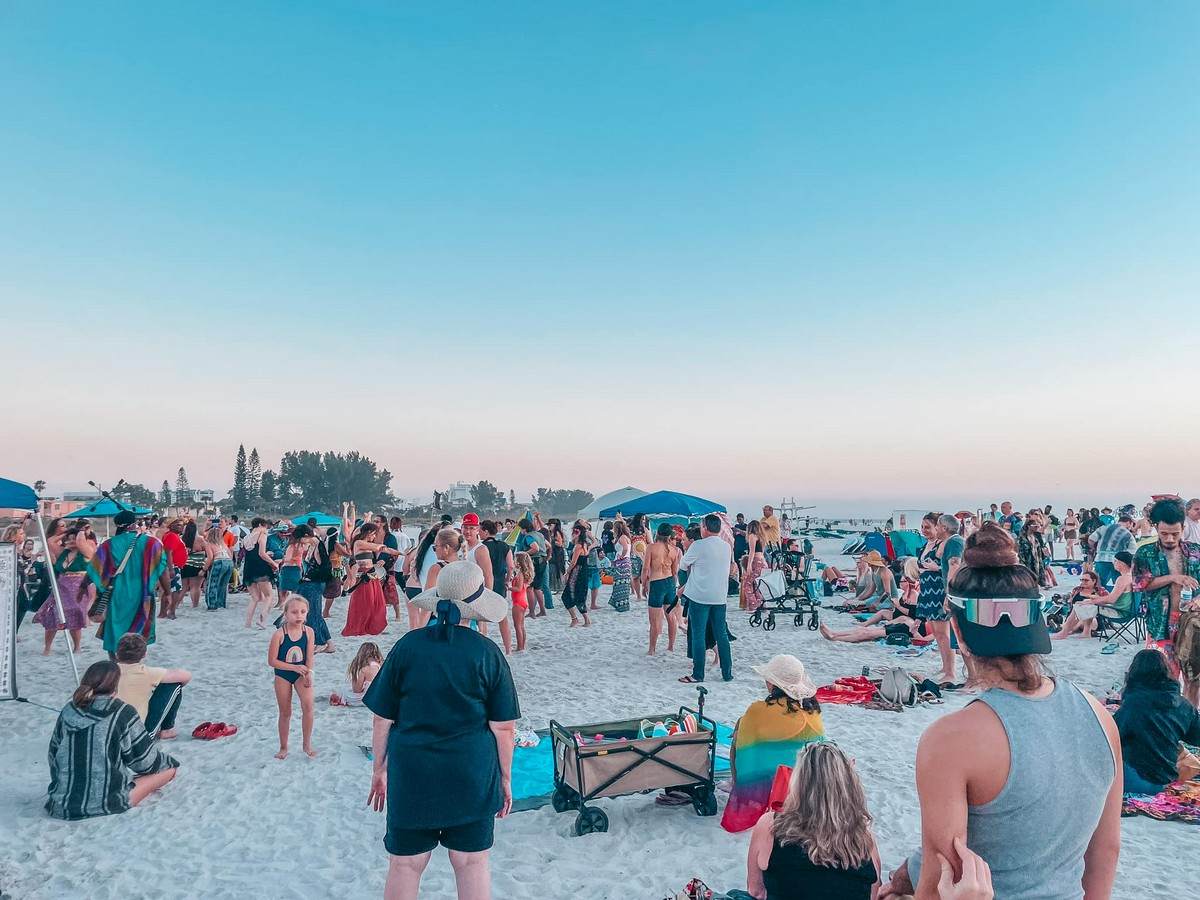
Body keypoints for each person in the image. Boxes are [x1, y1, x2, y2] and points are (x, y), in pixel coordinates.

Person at [880, 523, 1121, 900]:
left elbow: (940, 876)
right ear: (1036, 620)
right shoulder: (1100, 716)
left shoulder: (951, 739)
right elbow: (1106, 850)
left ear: (958, 631)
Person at [365, 562, 519, 900]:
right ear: (476, 608)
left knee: (406, 865)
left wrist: (380, 767)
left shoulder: (408, 646)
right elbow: (503, 728)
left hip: (413, 769)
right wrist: (504, 778)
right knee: (471, 862)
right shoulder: (487, 653)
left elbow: (382, 719)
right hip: (471, 771)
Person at [46, 660, 179, 820]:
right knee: (170, 770)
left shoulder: (69, 709)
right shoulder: (122, 712)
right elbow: (144, 762)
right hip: (107, 801)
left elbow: (53, 754)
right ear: (116, 686)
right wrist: (168, 762)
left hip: (62, 803)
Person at [745, 743, 879, 900]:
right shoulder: (863, 832)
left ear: (799, 783)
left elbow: (755, 891)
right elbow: (873, 893)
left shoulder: (770, 826)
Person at [721, 655, 825, 834]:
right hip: (806, 776)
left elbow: (747, 739)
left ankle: (738, 786)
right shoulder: (811, 710)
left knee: (740, 740)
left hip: (773, 778)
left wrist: (740, 732)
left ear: (771, 684)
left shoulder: (759, 710)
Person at [1133, 498, 1200, 708]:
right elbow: (1139, 583)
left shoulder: (1196, 552)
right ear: (1156, 528)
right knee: (1163, 678)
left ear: (1183, 527)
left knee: (1194, 679)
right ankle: (1166, 724)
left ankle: (1190, 725)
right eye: (1164, 534)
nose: (1170, 538)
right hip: (1160, 624)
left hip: (1192, 624)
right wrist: (1174, 578)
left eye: (1175, 533)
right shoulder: (1145, 552)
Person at [1114, 649, 1200, 794]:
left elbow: (1110, 735)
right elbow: (1196, 737)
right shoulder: (1181, 704)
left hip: (1136, 780)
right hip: (1163, 780)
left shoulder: (1134, 703)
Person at [87, 510, 171, 657]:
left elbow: (94, 570)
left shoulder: (108, 545)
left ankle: (115, 664)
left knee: (115, 630)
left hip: (116, 596)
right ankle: (134, 664)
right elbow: (163, 570)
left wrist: (82, 587)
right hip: (142, 595)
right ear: (134, 524)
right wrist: (168, 593)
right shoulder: (151, 544)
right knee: (137, 631)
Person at [678, 514, 734, 684]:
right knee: (721, 635)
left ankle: (698, 674)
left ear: (705, 528)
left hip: (699, 596)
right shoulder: (726, 546)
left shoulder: (698, 546)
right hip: (719, 596)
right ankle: (727, 673)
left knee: (698, 635)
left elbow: (682, 565)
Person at [115, 633, 192, 740]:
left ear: (117, 655)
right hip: (137, 733)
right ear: (144, 655)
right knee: (173, 685)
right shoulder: (147, 673)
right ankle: (167, 729)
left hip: (109, 727)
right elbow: (186, 676)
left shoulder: (105, 671)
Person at [268, 595, 317, 759]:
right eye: (294, 612)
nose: (299, 616)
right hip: (283, 674)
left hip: (302, 672)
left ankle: (306, 744)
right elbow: (272, 661)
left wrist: (310, 673)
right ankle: (283, 747)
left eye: (303, 612)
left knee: (309, 707)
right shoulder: (279, 634)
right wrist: (294, 667)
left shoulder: (309, 632)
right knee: (285, 712)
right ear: (286, 614)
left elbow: (310, 657)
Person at [32, 525, 92, 656]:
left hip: (77, 589)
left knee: (75, 619)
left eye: (73, 539)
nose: (69, 541)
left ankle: (77, 646)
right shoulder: (63, 553)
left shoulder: (86, 552)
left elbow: (81, 541)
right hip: (61, 587)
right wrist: (67, 531)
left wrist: (80, 532)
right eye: (68, 539)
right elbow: (50, 542)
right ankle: (47, 647)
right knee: (52, 616)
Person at [916, 514, 958, 688]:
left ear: (938, 528)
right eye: (922, 526)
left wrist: (935, 568)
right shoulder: (925, 545)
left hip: (939, 590)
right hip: (927, 590)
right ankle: (944, 667)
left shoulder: (944, 544)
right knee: (936, 633)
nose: (924, 530)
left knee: (943, 633)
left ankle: (951, 672)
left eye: (928, 527)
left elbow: (952, 566)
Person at [343, 522, 394, 637]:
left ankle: (372, 626)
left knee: (377, 602)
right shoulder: (359, 543)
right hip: (363, 575)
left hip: (372, 575)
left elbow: (381, 548)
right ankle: (363, 627)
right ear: (370, 533)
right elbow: (377, 547)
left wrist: (401, 553)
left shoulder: (366, 543)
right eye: (374, 534)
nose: (375, 536)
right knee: (366, 602)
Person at [642, 523, 682, 654]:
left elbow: (646, 568)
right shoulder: (675, 550)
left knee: (654, 620)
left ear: (657, 534)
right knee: (670, 616)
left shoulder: (651, 548)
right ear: (670, 536)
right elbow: (675, 572)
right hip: (670, 582)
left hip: (656, 583)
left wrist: (644, 584)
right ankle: (671, 646)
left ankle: (652, 649)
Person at [295, 524, 335, 653]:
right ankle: (329, 644)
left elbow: (324, 567)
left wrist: (311, 577)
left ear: (306, 536)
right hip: (312, 583)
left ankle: (320, 642)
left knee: (313, 614)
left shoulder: (318, 545)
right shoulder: (314, 545)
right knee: (316, 614)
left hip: (315, 584)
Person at [242, 518, 280, 629]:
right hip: (260, 567)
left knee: (255, 598)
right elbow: (261, 553)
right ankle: (261, 620)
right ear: (260, 525)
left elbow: (252, 553)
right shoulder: (261, 535)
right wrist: (273, 563)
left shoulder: (246, 538)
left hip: (248, 568)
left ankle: (248, 623)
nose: (266, 528)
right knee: (269, 596)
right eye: (265, 526)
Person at [331, 641, 384, 707]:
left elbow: (357, 690)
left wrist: (353, 675)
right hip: (380, 697)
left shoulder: (364, 670)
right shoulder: (381, 666)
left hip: (368, 698)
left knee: (341, 693)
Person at [1090, 515, 1136, 590]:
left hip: (1101, 558)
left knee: (1099, 583)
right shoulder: (1127, 534)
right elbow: (1132, 550)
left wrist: (1094, 549)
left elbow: (1091, 539)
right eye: (1132, 525)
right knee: (1119, 583)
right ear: (1128, 523)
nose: (1131, 527)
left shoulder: (1104, 527)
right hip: (1118, 561)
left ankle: (1099, 597)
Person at [559, 522, 592, 627]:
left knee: (568, 596)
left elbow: (574, 562)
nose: (573, 534)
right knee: (579, 596)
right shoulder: (584, 544)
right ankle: (585, 620)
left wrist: (567, 573)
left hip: (577, 573)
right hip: (583, 572)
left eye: (575, 532)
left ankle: (575, 618)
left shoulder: (579, 546)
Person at [516, 519, 548, 617]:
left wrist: (524, 554)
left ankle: (532, 612)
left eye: (521, 529)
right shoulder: (540, 534)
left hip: (535, 562)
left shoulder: (528, 537)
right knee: (537, 588)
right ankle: (542, 610)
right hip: (543, 561)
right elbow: (548, 546)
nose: (521, 531)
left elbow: (535, 548)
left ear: (524, 529)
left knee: (529, 587)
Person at [203, 523, 234, 610]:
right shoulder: (223, 543)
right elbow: (230, 554)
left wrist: (204, 569)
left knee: (213, 584)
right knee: (223, 585)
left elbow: (210, 558)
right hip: (228, 562)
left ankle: (212, 605)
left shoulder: (209, 544)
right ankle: (221, 604)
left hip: (219, 562)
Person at [509, 551, 534, 653]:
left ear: (518, 562)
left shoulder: (520, 574)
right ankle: (522, 645)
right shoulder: (523, 574)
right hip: (523, 601)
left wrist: (509, 588)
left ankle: (520, 647)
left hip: (518, 601)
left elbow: (518, 589)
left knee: (517, 626)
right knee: (521, 626)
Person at [742, 521, 767, 613]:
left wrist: (749, 565)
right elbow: (762, 551)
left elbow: (752, 551)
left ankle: (754, 604)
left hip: (756, 561)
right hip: (762, 561)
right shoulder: (761, 537)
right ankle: (762, 604)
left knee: (747, 584)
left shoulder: (752, 536)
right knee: (757, 584)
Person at [609, 519, 632, 613]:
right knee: (622, 583)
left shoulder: (622, 538)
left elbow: (625, 548)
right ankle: (621, 603)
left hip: (622, 562)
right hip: (624, 562)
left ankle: (620, 604)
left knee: (620, 584)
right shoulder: (625, 537)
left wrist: (621, 556)